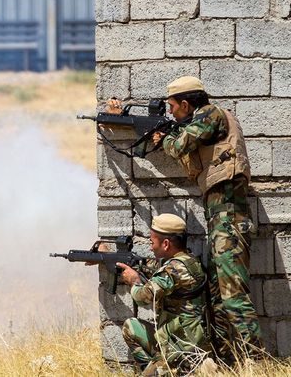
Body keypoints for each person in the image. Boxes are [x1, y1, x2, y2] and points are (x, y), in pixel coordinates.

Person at [110, 76, 261, 361]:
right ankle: (225, 361)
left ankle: (258, 363)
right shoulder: (200, 123)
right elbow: (173, 141)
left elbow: (179, 145)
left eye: (172, 107)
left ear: (186, 103)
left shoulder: (211, 114)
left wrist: (164, 136)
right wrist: (121, 120)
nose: (170, 112)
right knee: (216, 300)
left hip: (229, 216)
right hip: (220, 218)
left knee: (233, 297)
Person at [117, 214, 212, 376]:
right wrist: (105, 259)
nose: (151, 247)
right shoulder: (188, 260)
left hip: (182, 348)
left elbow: (143, 297)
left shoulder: (173, 270)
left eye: (152, 242)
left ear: (166, 244)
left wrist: (134, 281)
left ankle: (167, 370)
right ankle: (158, 366)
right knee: (130, 327)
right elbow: (153, 266)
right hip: (185, 337)